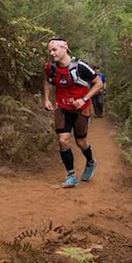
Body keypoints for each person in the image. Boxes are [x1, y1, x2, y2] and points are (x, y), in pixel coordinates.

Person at [43, 38, 104, 188]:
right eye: (50, 50)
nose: (52, 53)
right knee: (63, 141)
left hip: (81, 109)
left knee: (80, 142)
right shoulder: (51, 67)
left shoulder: (81, 66)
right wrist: (46, 99)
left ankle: (90, 162)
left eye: (54, 50)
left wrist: (84, 99)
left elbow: (98, 83)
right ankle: (71, 175)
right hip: (62, 108)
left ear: (65, 48)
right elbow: (47, 81)